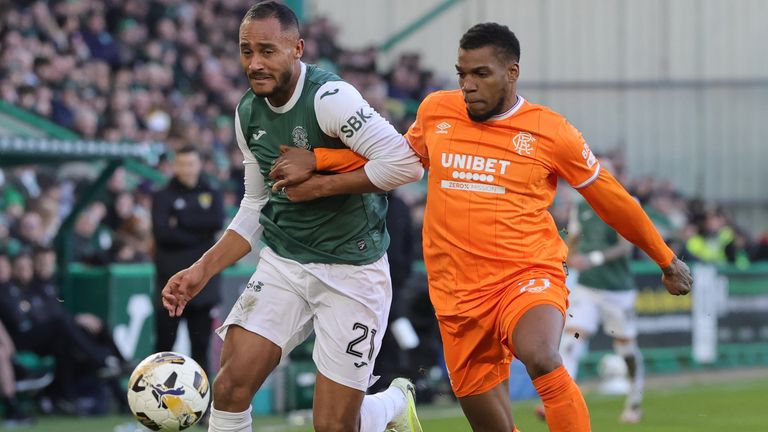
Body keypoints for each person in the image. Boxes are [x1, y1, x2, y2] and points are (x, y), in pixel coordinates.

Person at [271, 22, 693, 432]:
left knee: (542, 355)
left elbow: (612, 198)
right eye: (462, 74)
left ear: (512, 73)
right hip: (456, 296)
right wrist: (320, 160)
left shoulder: (551, 131)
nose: (468, 85)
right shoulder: (437, 110)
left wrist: (666, 259)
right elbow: (396, 160)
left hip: (525, 277)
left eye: (480, 74)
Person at [160, 2, 424, 432]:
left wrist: (319, 181)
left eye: (267, 50)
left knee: (334, 426)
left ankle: (393, 402)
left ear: (297, 49)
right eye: (246, 51)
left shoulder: (330, 99)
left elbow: (407, 164)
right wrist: (201, 269)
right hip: (285, 263)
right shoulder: (247, 113)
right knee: (229, 388)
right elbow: (255, 204)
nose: (255, 63)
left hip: (353, 270)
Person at [553, 159, 646, 424]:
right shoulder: (582, 204)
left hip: (617, 290)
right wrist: (564, 257)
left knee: (626, 350)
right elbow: (574, 238)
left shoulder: (626, 202)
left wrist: (591, 259)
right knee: (571, 340)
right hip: (588, 288)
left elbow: (625, 247)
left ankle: (635, 399)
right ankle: (562, 401)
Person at [151, 145, 225, 377]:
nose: (186, 169)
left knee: (200, 350)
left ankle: (201, 397)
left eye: (191, 163)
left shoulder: (212, 192)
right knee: (163, 348)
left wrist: (181, 220)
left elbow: (216, 221)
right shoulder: (163, 195)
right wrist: (200, 233)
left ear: (199, 165)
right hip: (170, 287)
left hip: (203, 288)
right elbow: (163, 234)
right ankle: (152, 394)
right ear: (175, 166)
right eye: (182, 164)